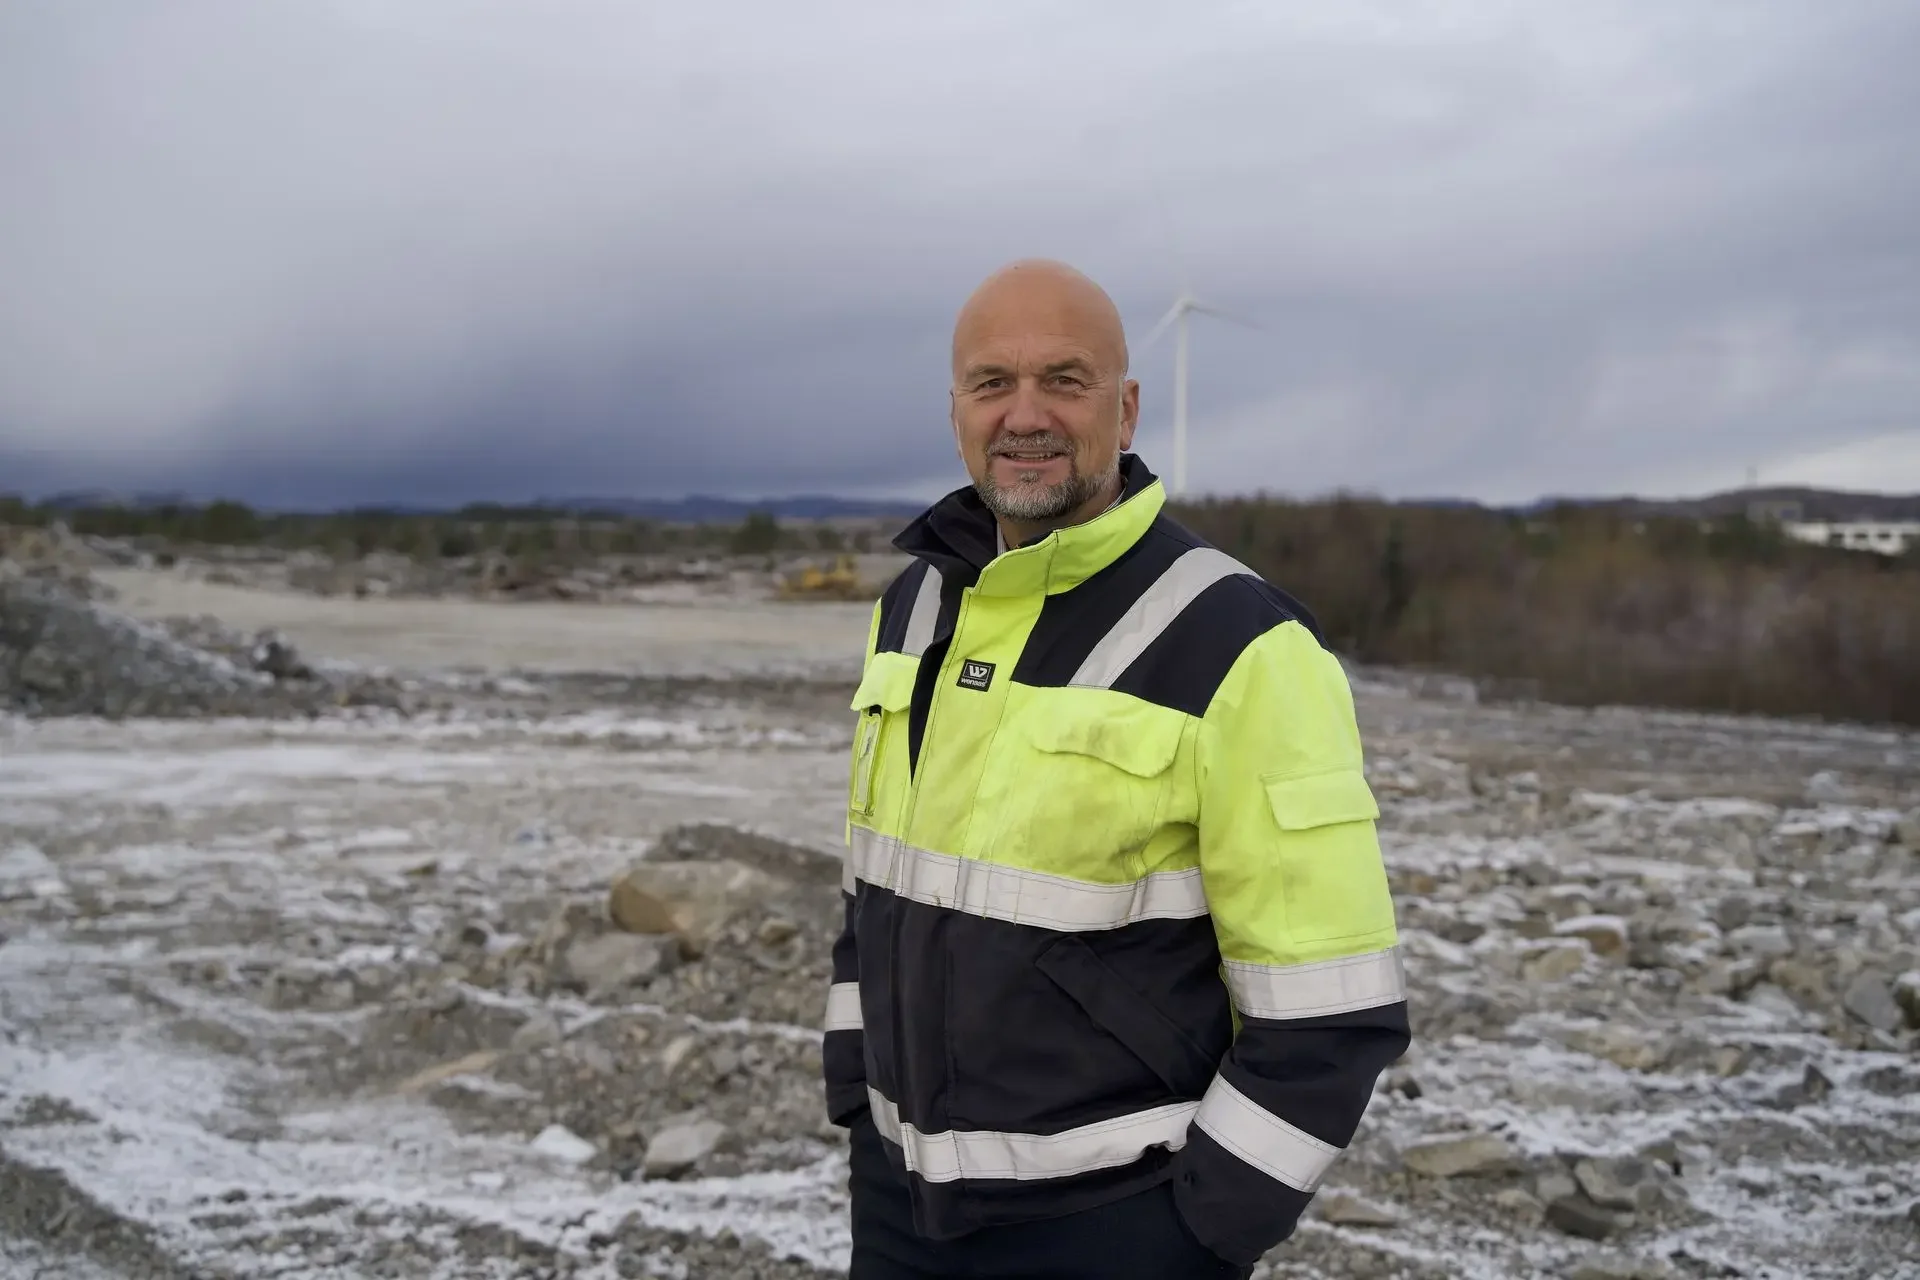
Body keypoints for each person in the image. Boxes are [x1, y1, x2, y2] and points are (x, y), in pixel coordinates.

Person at [821, 259, 1410, 1279]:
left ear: (1127, 409)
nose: (1026, 414)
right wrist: (855, 1095)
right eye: (993, 383)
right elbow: (876, 888)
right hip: (898, 1208)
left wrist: (1198, 1235)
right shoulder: (912, 609)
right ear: (956, 413)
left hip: (1115, 1227)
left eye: (1065, 379)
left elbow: (1332, 1001)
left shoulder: (1240, 641)